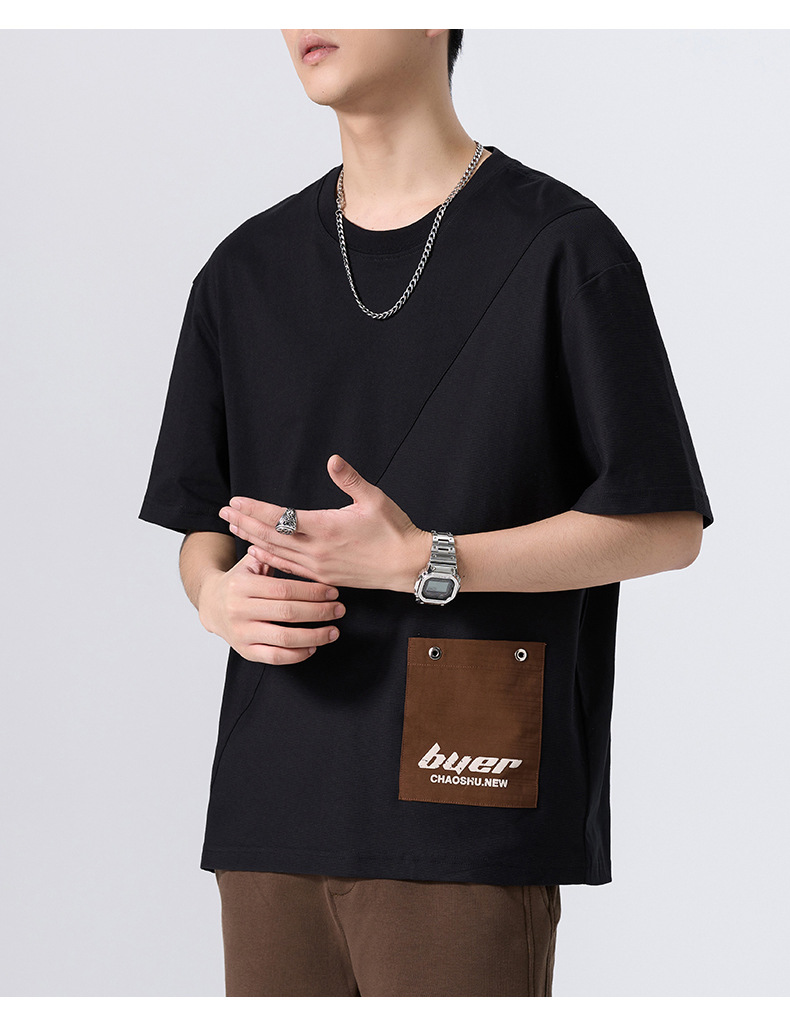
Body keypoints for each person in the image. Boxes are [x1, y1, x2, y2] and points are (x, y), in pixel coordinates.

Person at [138, 29, 714, 997]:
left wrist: (426, 559)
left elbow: (665, 525)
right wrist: (213, 597)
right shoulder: (243, 270)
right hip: (273, 802)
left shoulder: (561, 247)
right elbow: (202, 517)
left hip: (464, 805)